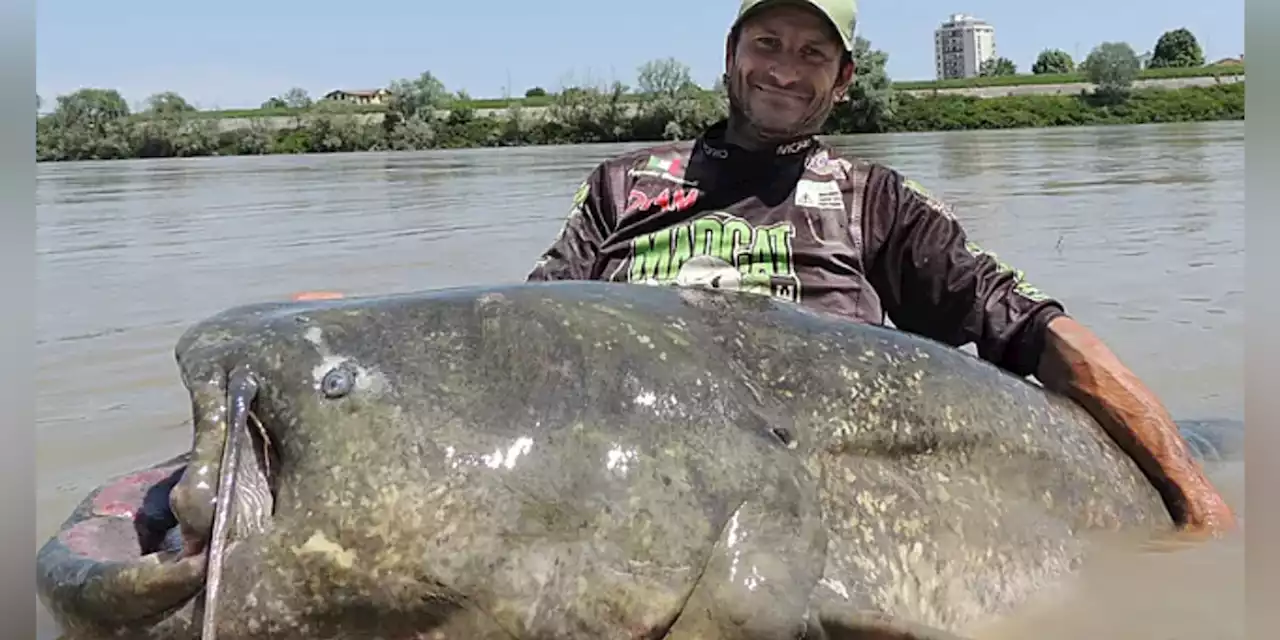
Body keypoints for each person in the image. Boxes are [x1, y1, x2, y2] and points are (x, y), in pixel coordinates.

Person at [293, 0, 1234, 535]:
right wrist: (374, 325)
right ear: (732, 57)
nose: (787, 68)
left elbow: (1035, 332)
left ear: (843, 80)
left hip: (825, 489)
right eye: (768, 44)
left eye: (813, 53)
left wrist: (1190, 490)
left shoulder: (877, 201)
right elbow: (532, 335)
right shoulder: (625, 185)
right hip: (640, 483)